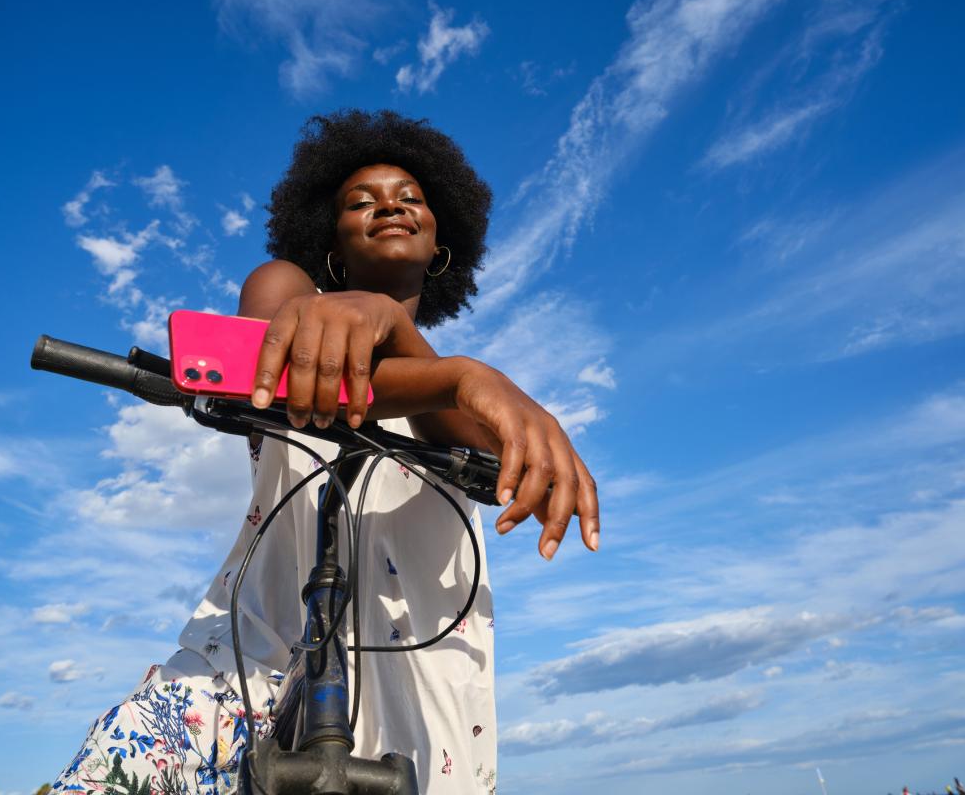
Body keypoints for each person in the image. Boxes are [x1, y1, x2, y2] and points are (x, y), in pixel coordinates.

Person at [50, 110, 599, 794]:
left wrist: (418, 343)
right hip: (255, 665)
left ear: (439, 245)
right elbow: (264, 373)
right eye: (360, 202)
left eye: (410, 197)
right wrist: (456, 372)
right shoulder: (289, 295)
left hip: (421, 698)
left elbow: (489, 444)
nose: (390, 206)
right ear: (332, 245)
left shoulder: (456, 398)